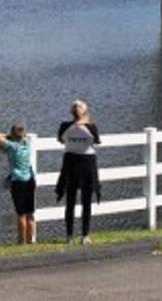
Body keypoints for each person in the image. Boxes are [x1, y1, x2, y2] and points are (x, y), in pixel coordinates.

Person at [55, 99, 101, 245]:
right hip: (87, 165)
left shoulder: (64, 126)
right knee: (86, 202)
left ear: (71, 112)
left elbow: (61, 140)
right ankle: (85, 235)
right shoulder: (91, 126)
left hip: (70, 164)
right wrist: (85, 121)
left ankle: (69, 236)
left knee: (70, 201)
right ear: (85, 112)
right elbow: (97, 141)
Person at [0, 123, 36, 245]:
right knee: (30, 213)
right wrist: (14, 135)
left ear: (13, 135)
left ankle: (21, 241)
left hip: (18, 182)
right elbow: (23, 135)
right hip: (30, 180)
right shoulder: (26, 143)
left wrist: (8, 135)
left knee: (21, 214)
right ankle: (30, 240)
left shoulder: (12, 146)